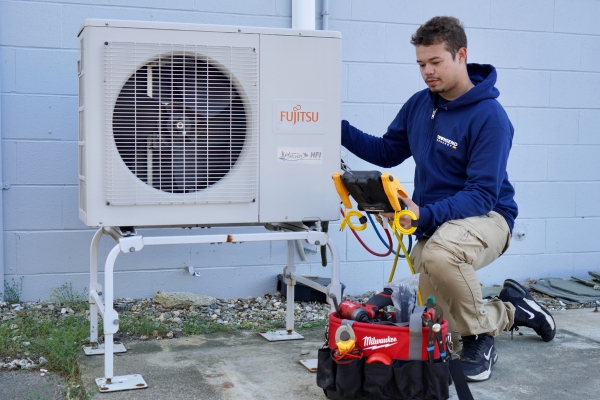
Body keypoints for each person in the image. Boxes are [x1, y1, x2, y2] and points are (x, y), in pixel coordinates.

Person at [341, 16, 556, 382]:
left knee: (440, 256)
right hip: (438, 223)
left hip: (489, 217)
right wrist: (335, 127)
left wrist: (423, 214)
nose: (427, 72)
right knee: (438, 321)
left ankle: (481, 339)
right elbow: (386, 149)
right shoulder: (419, 105)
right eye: (421, 64)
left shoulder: (490, 117)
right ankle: (514, 311)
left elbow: (482, 194)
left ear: (461, 55)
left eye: (435, 62)